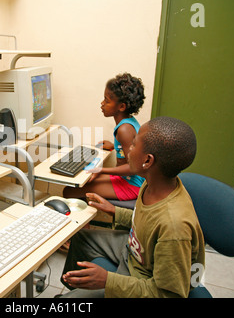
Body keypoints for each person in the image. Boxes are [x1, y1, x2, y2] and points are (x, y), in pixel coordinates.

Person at [59, 116, 205, 298]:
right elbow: (147, 222)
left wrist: (107, 280)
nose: (128, 152)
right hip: (136, 251)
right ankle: (76, 285)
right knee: (81, 237)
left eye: (134, 145)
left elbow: (169, 295)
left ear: (147, 161)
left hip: (144, 278)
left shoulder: (174, 227)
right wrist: (115, 212)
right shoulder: (153, 182)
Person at [63, 73, 145, 201]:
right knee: (83, 181)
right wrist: (114, 146)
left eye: (107, 100)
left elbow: (134, 167)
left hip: (132, 184)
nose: (102, 103)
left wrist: (101, 170)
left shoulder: (124, 130)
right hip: (127, 179)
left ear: (122, 106)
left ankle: (84, 220)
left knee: (69, 191)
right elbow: (132, 148)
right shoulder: (128, 122)